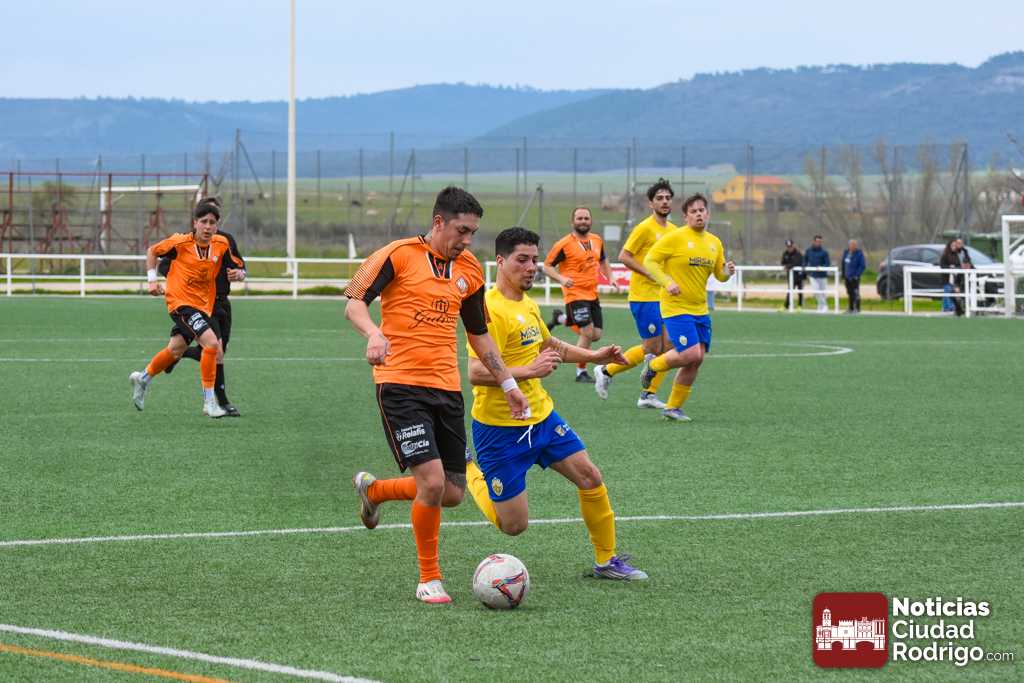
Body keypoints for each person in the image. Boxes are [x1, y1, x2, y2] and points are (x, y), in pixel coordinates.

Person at [344, 186, 528, 605]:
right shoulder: (398, 254)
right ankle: (429, 578)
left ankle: (375, 491)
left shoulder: (470, 270)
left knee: (452, 492)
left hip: (447, 388)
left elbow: (479, 335)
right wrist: (373, 334)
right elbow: (354, 302)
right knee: (430, 481)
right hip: (400, 384)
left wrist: (509, 384)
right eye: (462, 230)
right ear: (439, 222)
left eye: (473, 232)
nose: (468, 240)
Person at [464, 227, 647, 580]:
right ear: (500, 261)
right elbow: (475, 372)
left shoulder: (527, 303)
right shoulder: (489, 309)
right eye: (522, 260)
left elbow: (552, 346)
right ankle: (468, 467)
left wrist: (594, 355)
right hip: (500, 429)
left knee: (590, 476)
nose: (531, 267)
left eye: (534, 260)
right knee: (513, 525)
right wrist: (529, 370)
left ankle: (606, 561)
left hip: (542, 417)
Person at [129, 200, 245, 418]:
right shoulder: (180, 242)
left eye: (212, 222)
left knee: (176, 349)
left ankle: (143, 378)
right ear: (195, 223)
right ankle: (210, 403)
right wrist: (152, 281)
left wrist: (239, 275)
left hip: (204, 306)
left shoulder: (222, 244)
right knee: (212, 344)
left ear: (217, 225)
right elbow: (152, 251)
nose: (208, 227)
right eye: (204, 222)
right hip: (180, 303)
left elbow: (239, 267)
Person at [638, 193, 735, 422]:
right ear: (685, 217)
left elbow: (719, 275)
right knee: (690, 352)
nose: (698, 214)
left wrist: (727, 272)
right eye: (693, 211)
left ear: (707, 214)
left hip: (700, 309)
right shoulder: (675, 237)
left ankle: (673, 408)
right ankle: (653, 365)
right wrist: (667, 282)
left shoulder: (714, 242)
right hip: (676, 307)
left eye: (702, 210)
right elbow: (650, 261)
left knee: (696, 359)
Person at [593, 179, 677, 408]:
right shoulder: (644, 228)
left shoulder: (674, 231)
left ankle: (648, 394)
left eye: (668, 198)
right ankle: (606, 370)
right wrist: (649, 273)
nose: (664, 201)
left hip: (666, 297)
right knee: (652, 348)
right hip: (644, 296)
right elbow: (624, 256)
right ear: (651, 203)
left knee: (669, 346)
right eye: (659, 198)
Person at [543, 207, 614, 383]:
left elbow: (603, 260)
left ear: (591, 221)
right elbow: (547, 266)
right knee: (587, 333)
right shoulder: (564, 244)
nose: (583, 221)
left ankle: (561, 319)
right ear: (572, 221)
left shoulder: (597, 240)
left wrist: (610, 277)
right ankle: (580, 372)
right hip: (574, 293)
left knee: (596, 335)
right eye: (580, 218)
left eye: (586, 218)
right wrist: (561, 278)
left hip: (592, 293)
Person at [939, 237, 973, 317]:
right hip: (947, 277)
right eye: (953, 246)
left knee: (952, 291)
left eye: (955, 245)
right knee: (948, 290)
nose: (954, 247)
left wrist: (956, 267)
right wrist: (949, 267)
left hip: (955, 276)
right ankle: (948, 307)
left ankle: (950, 307)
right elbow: (942, 265)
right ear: (949, 246)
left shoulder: (957, 254)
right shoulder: (945, 255)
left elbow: (960, 264)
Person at [803, 235, 831, 312]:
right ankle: (823, 305)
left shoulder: (824, 252)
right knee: (816, 291)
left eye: (820, 242)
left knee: (823, 292)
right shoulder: (808, 251)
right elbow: (805, 260)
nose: (819, 243)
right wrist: (804, 266)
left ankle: (822, 307)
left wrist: (822, 267)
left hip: (822, 276)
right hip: (813, 275)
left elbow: (827, 263)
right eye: (817, 241)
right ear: (814, 241)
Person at [840, 239, 866, 313]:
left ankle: (857, 308)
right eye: (850, 245)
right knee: (849, 293)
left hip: (855, 277)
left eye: (853, 245)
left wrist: (857, 275)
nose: (852, 246)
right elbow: (843, 263)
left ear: (856, 246)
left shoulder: (859, 254)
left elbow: (862, 266)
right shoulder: (846, 252)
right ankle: (850, 308)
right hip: (847, 277)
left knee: (855, 293)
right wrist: (843, 274)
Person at [781, 239, 804, 309]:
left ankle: (799, 306)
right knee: (790, 290)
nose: (789, 248)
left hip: (799, 275)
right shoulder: (785, 253)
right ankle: (786, 306)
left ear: (793, 245)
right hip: (790, 275)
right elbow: (783, 262)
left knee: (800, 291)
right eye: (788, 247)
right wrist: (786, 266)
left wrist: (788, 266)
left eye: (790, 246)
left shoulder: (798, 253)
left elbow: (796, 263)